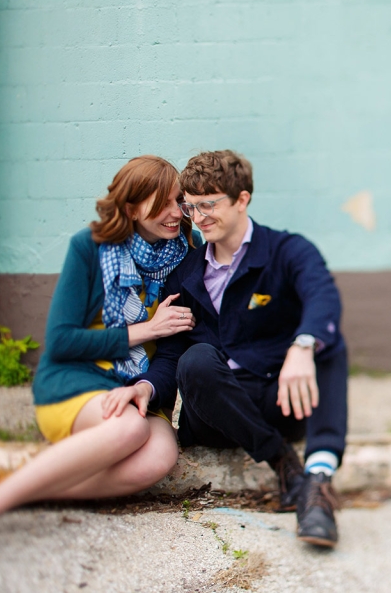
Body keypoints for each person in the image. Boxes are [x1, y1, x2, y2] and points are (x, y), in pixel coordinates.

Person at [0, 155, 199, 556]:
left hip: (139, 388)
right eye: (163, 204)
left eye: (178, 201)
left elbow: (172, 352)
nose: (177, 213)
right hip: (77, 380)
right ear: (131, 208)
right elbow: (61, 341)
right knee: (128, 430)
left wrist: (144, 388)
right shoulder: (89, 248)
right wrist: (146, 330)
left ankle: (14, 482)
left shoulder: (186, 255)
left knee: (159, 456)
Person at [139, 149, 348, 548]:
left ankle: (317, 482)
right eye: (191, 207)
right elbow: (170, 357)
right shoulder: (186, 275)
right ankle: (283, 462)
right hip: (215, 416)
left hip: (279, 399)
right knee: (195, 359)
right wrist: (146, 389)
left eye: (209, 205)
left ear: (242, 199)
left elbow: (322, 296)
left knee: (327, 340)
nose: (199, 218)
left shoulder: (286, 251)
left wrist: (303, 346)